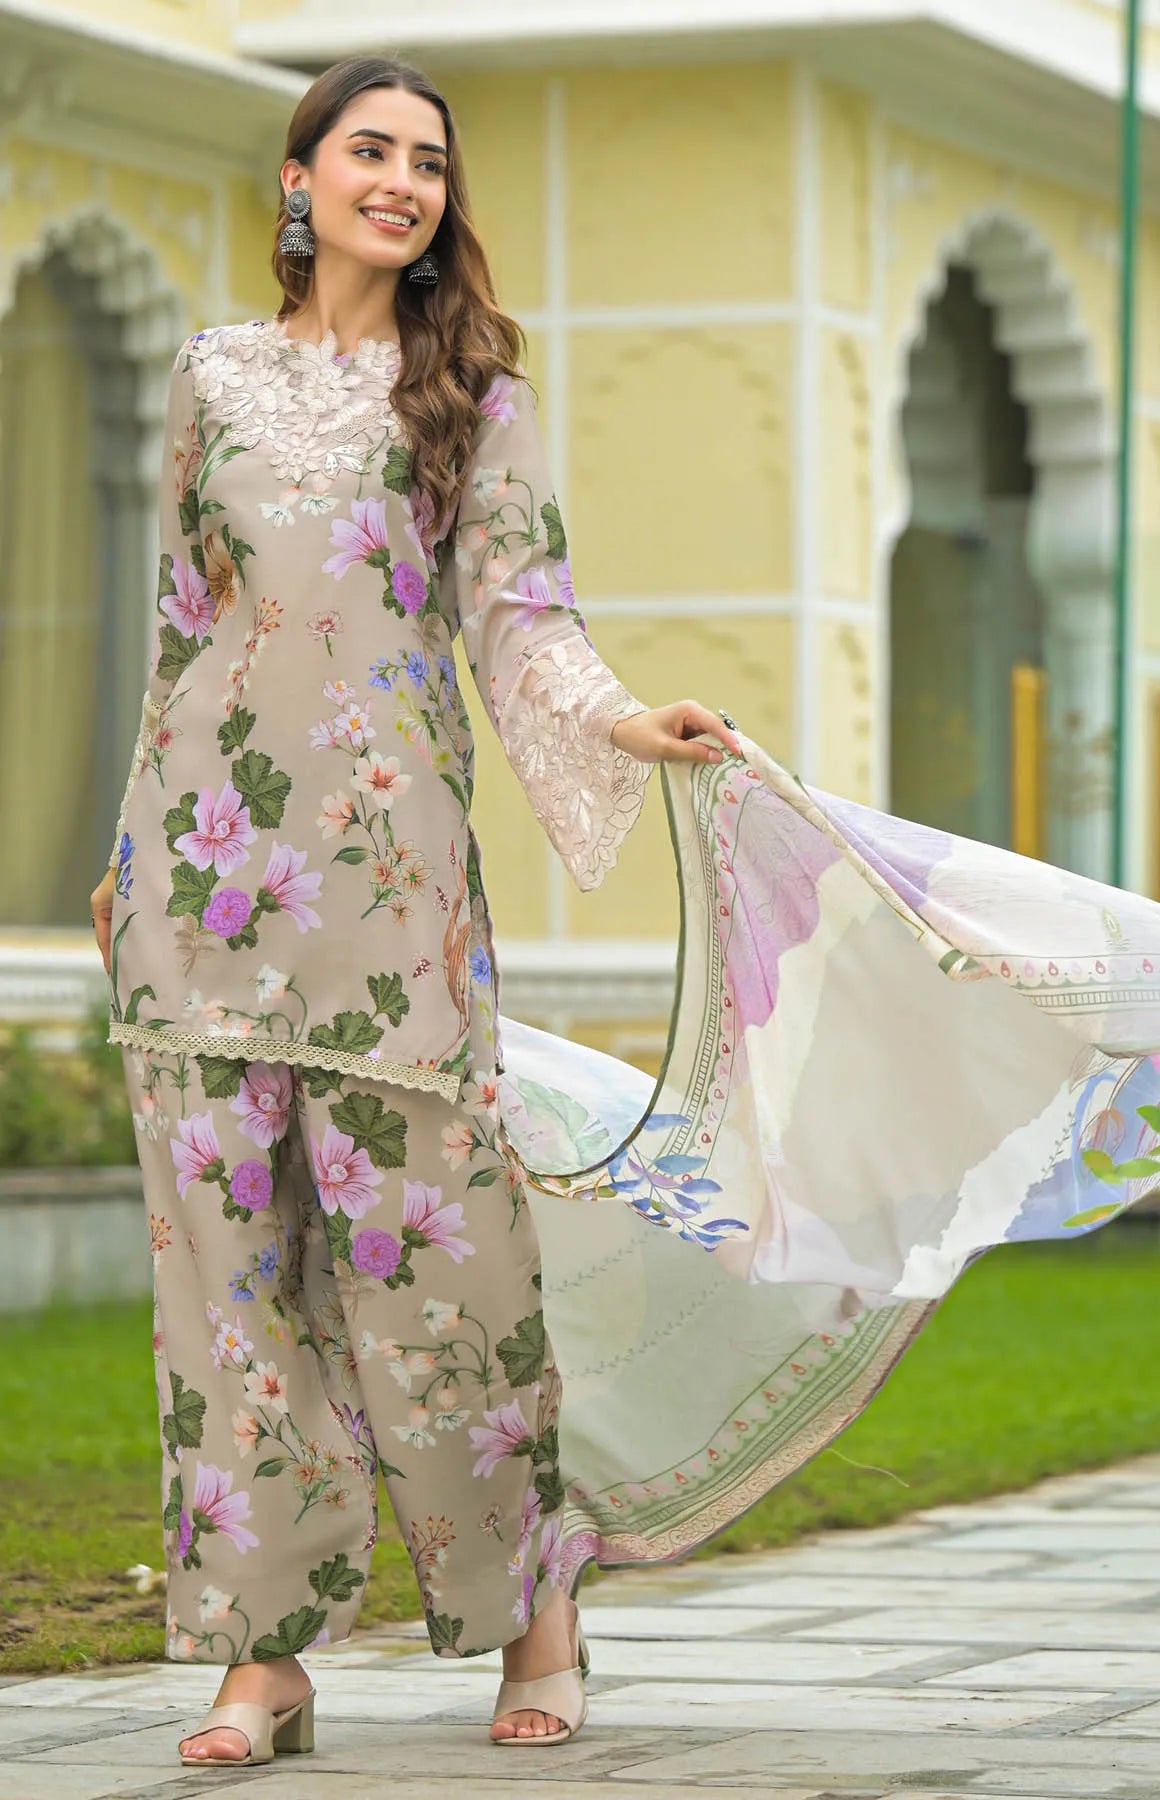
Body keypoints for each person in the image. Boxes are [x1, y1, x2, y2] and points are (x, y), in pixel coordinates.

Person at [88, 53, 736, 1765]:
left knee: (433, 1252)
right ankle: (262, 1654)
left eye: (429, 162)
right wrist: (119, 852)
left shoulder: (471, 390)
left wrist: (619, 721)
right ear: (297, 178)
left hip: (390, 892)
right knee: (224, 1274)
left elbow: (522, 616)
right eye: (369, 150)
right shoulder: (209, 377)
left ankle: (534, 1603)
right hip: (200, 879)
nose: (403, 181)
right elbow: (179, 629)